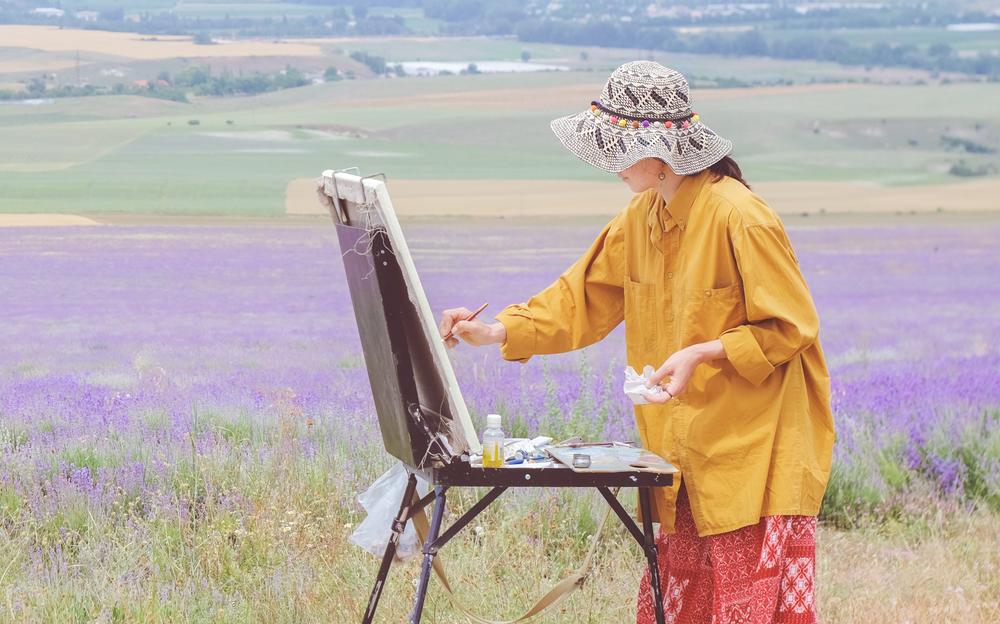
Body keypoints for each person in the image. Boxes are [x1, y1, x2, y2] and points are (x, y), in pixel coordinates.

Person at [438, 61, 834, 624]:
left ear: (661, 150)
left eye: (619, 146)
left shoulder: (740, 217)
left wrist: (703, 351)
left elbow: (793, 327)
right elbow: (581, 299)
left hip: (755, 450)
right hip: (679, 444)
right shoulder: (641, 216)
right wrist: (496, 330)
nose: (611, 163)